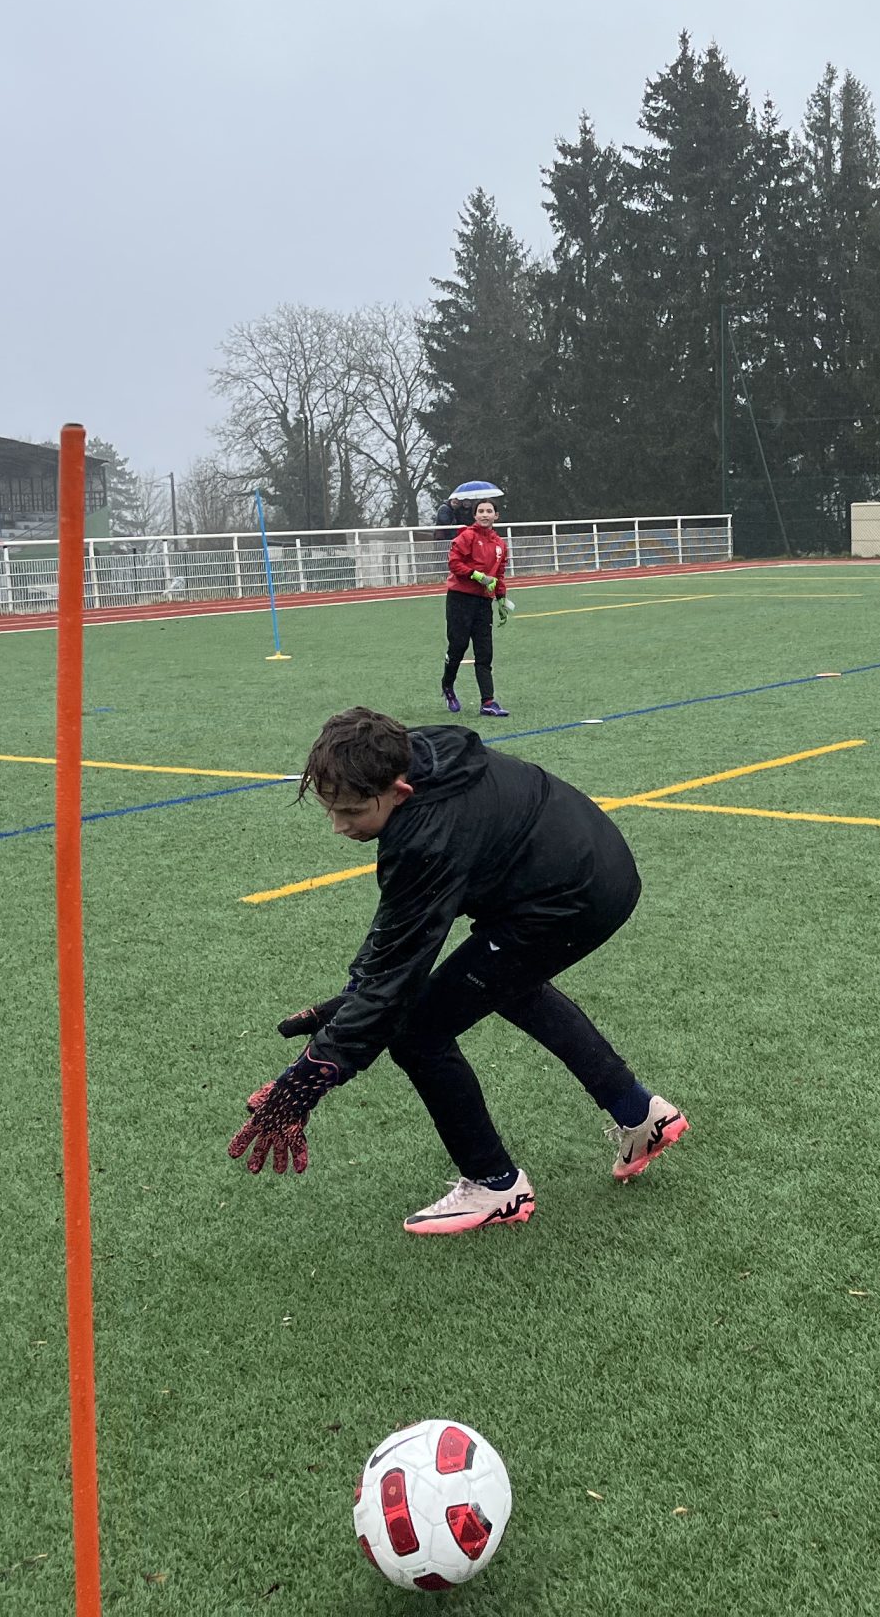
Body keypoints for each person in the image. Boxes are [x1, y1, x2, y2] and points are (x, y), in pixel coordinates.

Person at [229, 706, 687, 1236]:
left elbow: (395, 976)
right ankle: (639, 1113)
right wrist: (351, 1000)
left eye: (352, 811)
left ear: (398, 792)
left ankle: (495, 1185)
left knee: (418, 1034)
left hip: (568, 899)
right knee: (507, 984)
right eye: (331, 809)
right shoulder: (415, 753)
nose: (339, 826)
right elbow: (397, 940)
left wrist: (304, 1081)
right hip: (590, 866)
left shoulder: (424, 835)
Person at [440, 485, 511, 717]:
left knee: (484, 651)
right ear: (475, 515)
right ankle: (447, 685)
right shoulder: (466, 537)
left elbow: (499, 574)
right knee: (458, 646)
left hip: (483, 603)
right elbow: (454, 563)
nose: (484, 514)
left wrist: (501, 599)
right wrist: (476, 575)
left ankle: (487, 701)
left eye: (489, 511)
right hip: (460, 599)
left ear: (496, 516)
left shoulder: (500, 545)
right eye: (481, 511)